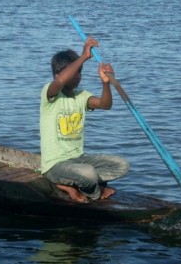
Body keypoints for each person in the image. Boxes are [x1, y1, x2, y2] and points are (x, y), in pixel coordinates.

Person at [40, 37, 129, 203]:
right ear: (59, 74)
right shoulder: (50, 94)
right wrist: (83, 56)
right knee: (87, 173)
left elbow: (105, 105)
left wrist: (105, 84)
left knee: (122, 165)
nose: (77, 77)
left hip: (78, 160)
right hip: (55, 166)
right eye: (74, 73)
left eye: (79, 72)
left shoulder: (81, 96)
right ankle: (94, 195)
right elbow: (60, 81)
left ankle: (73, 184)